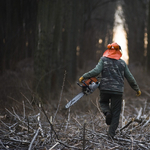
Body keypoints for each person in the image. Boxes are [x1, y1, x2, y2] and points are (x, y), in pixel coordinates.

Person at [79, 42, 141, 139]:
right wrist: (137, 89)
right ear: (118, 51)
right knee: (116, 113)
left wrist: (84, 76)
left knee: (103, 102)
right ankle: (111, 134)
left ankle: (107, 112)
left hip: (105, 89)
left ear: (108, 51)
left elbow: (96, 71)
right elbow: (130, 78)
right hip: (118, 91)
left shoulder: (103, 60)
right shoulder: (122, 63)